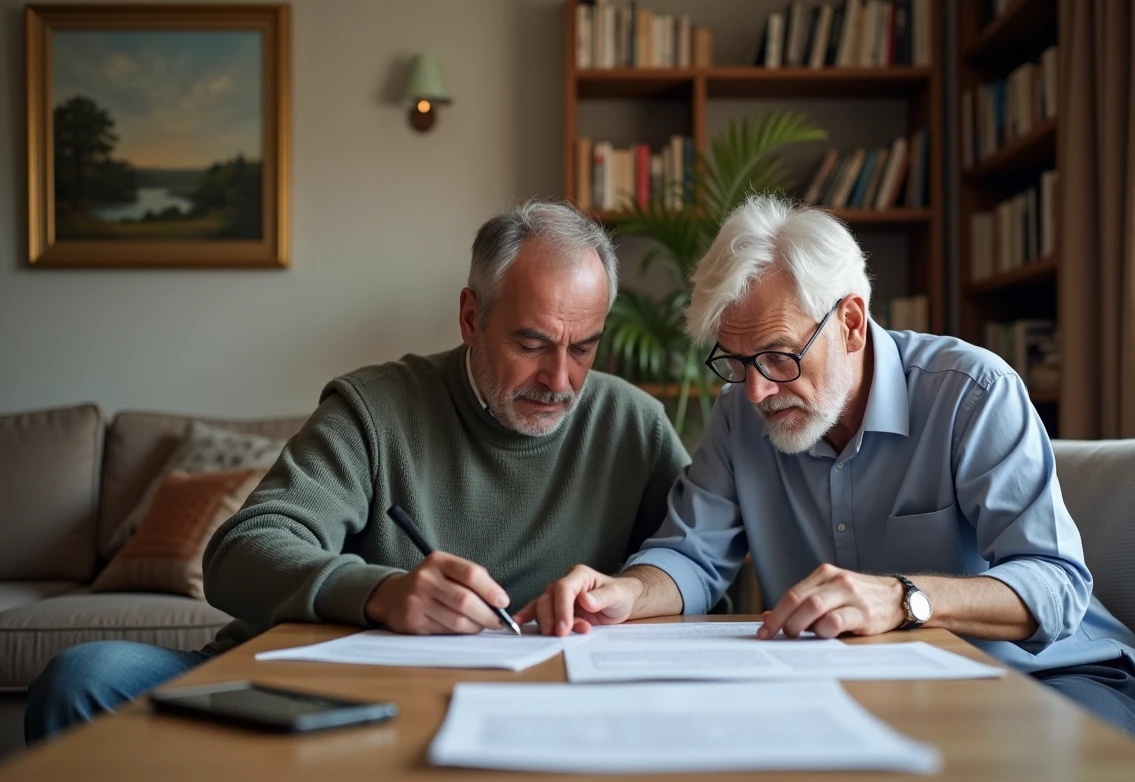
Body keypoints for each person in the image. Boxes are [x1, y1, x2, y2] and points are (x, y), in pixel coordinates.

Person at [26, 200, 689, 742]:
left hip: (536, 704)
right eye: (531, 343)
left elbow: (698, 559)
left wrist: (629, 589)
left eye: (584, 348)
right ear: (470, 317)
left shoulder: (631, 422)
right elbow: (239, 554)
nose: (560, 379)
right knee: (85, 675)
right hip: (326, 691)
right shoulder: (374, 407)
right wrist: (382, 593)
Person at [520, 196, 1135, 746]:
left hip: (1059, 678)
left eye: (776, 357)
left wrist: (905, 598)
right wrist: (626, 593)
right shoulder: (741, 417)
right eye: (736, 361)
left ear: (851, 322)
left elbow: (1057, 584)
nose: (755, 393)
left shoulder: (970, 392)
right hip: (887, 694)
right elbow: (691, 557)